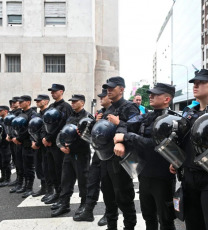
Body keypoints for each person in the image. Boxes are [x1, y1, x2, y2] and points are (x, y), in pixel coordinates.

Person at [170, 69, 208, 230]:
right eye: (194, 83)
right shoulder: (190, 114)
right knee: (193, 224)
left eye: (200, 83)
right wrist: (176, 161)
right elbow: (184, 142)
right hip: (189, 178)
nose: (195, 86)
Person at [114, 83, 177, 230]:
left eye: (156, 94)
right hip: (144, 175)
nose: (151, 96)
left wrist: (126, 137)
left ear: (167, 99)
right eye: (151, 94)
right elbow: (125, 124)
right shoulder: (146, 116)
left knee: (166, 219)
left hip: (163, 177)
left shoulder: (171, 120)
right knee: (148, 216)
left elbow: (154, 145)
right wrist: (121, 140)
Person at [99, 76, 140, 230]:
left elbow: (137, 128)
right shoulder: (108, 109)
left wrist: (119, 123)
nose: (108, 91)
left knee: (124, 197)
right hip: (106, 158)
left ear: (121, 89)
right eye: (107, 88)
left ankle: (129, 227)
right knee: (108, 197)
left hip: (122, 160)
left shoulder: (130, 107)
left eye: (112, 88)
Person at [52, 94, 92, 217]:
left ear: (82, 102)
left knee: (83, 181)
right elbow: (63, 132)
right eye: (72, 102)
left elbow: (87, 138)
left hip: (81, 153)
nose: (73, 103)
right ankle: (65, 204)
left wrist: (72, 148)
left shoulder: (87, 117)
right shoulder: (70, 117)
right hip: (68, 153)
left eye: (75, 102)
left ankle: (84, 204)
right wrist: (62, 146)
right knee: (66, 179)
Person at [74, 88, 110, 226]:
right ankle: (88, 211)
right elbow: (95, 133)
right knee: (92, 181)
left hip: (110, 155)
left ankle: (109, 213)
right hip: (98, 153)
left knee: (108, 186)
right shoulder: (100, 113)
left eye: (104, 96)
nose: (101, 98)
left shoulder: (116, 112)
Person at [42, 84, 73, 204]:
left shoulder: (66, 107)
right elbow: (46, 122)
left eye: (54, 91)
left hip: (58, 144)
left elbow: (62, 125)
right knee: (51, 170)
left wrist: (49, 137)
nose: (52, 93)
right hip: (49, 143)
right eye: (51, 91)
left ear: (61, 91)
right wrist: (45, 137)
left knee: (60, 171)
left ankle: (62, 196)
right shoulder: (51, 106)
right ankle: (56, 192)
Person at [11, 95, 37, 198]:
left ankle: (29, 187)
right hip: (19, 143)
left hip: (27, 143)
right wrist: (14, 137)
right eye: (19, 102)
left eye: (22, 102)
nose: (20, 103)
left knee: (28, 167)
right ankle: (21, 184)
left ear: (28, 102)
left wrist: (19, 138)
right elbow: (15, 126)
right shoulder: (21, 113)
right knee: (19, 164)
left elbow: (30, 129)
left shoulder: (33, 114)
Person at [31, 94, 52, 198]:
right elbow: (31, 129)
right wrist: (33, 142)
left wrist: (39, 142)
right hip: (37, 145)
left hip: (45, 145)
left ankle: (50, 190)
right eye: (37, 100)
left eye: (40, 100)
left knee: (47, 168)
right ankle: (43, 188)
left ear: (46, 101)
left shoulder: (49, 114)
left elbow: (49, 130)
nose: (37, 102)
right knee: (39, 166)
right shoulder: (37, 115)